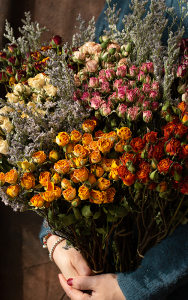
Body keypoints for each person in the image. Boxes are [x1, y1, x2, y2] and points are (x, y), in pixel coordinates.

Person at [40, 1, 188, 299]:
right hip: (96, 273)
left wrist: (134, 287)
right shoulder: (122, 5)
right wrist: (57, 236)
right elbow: (84, 128)